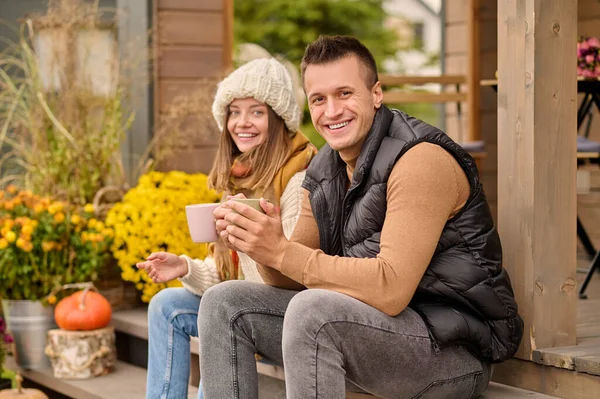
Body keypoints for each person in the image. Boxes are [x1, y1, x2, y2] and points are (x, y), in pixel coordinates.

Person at [197, 35, 524, 399]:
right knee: (224, 302)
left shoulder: (420, 161)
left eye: (345, 93)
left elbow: (391, 287)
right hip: (369, 332)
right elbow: (289, 276)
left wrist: (281, 252)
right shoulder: (323, 168)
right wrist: (262, 245)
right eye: (319, 99)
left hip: (452, 351)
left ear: (376, 94)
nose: (332, 111)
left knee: (312, 311)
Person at [136, 57, 317, 399]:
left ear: (279, 118)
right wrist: (185, 266)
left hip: (286, 316)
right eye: (234, 111)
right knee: (166, 306)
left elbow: (292, 280)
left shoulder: (298, 179)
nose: (242, 122)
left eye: (256, 112)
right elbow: (229, 278)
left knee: (220, 317)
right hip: (235, 303)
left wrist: (248, 239)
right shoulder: (239, 178)